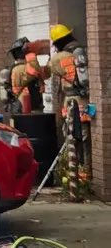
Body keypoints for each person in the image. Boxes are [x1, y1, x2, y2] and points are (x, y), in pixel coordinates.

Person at [48, 23, 91, 201]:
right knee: (85, 137)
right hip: (83, 100)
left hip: (69, 101)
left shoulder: (57, 58)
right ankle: (86, 172)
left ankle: (74, 173)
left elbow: (53, 74)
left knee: (71, 137)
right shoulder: (80, 52)